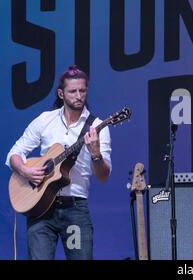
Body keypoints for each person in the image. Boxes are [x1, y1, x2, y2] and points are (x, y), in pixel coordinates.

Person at [5, 65, 112, 260]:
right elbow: (15, 153)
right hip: (40, 210)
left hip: (74, 210)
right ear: (61, 93)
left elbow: (103, 176)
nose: (78, 95)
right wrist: (25, 170)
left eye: (82, 90)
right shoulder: (45, 120)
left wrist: (95, 154)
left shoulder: (97, 127)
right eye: (73, 91)